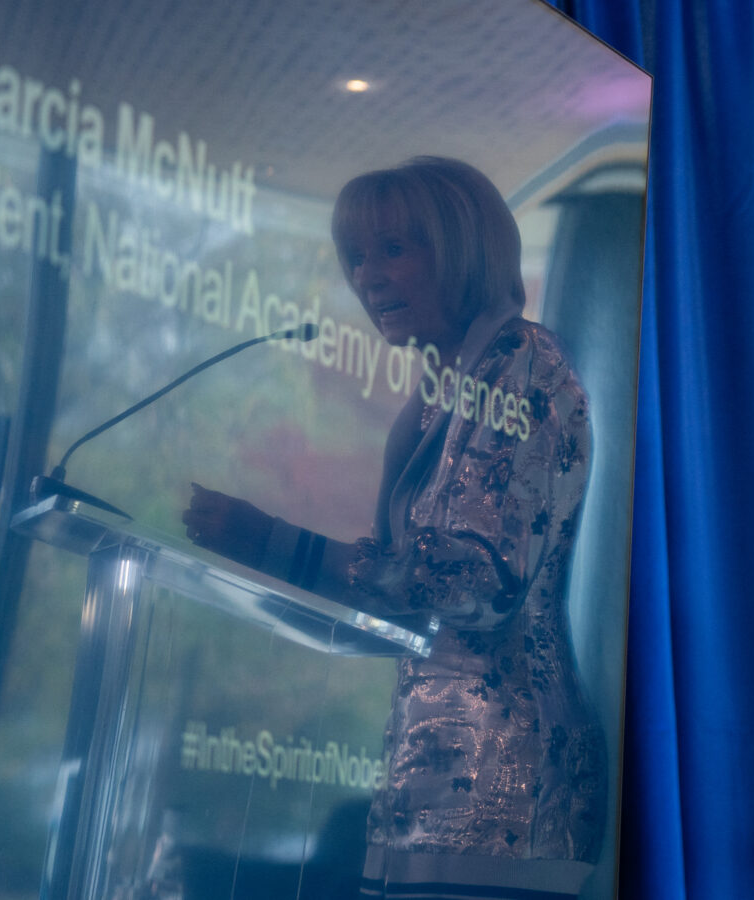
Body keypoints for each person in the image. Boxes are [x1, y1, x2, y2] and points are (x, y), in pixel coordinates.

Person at [183, 157, 603, 898]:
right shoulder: (444, 391)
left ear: (464, 251)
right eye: (356, 257)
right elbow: (404, 588)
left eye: (394, 249)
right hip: (432, 784)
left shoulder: (523, 368)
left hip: (504, 794)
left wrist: (277, 542)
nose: (368, 277)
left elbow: (478, 582)